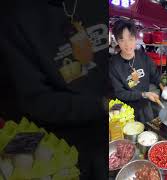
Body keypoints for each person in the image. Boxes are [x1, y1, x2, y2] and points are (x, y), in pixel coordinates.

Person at [0, 0, 111, 179]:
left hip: (105, 131)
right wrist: (100, 105)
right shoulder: (13, 14)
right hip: (53, 144)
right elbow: (31, 100)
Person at [109, 19, 167, 123]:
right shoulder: (113, 64)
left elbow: (155, 76)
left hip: (145, 106)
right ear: (117, 41)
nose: (127, 44)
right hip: (125, 111)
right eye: (122, 40)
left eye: (130, 39)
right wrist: (144, 94)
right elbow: (120, 93)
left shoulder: (143, 57)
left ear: (135, 38)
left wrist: (164, 87)